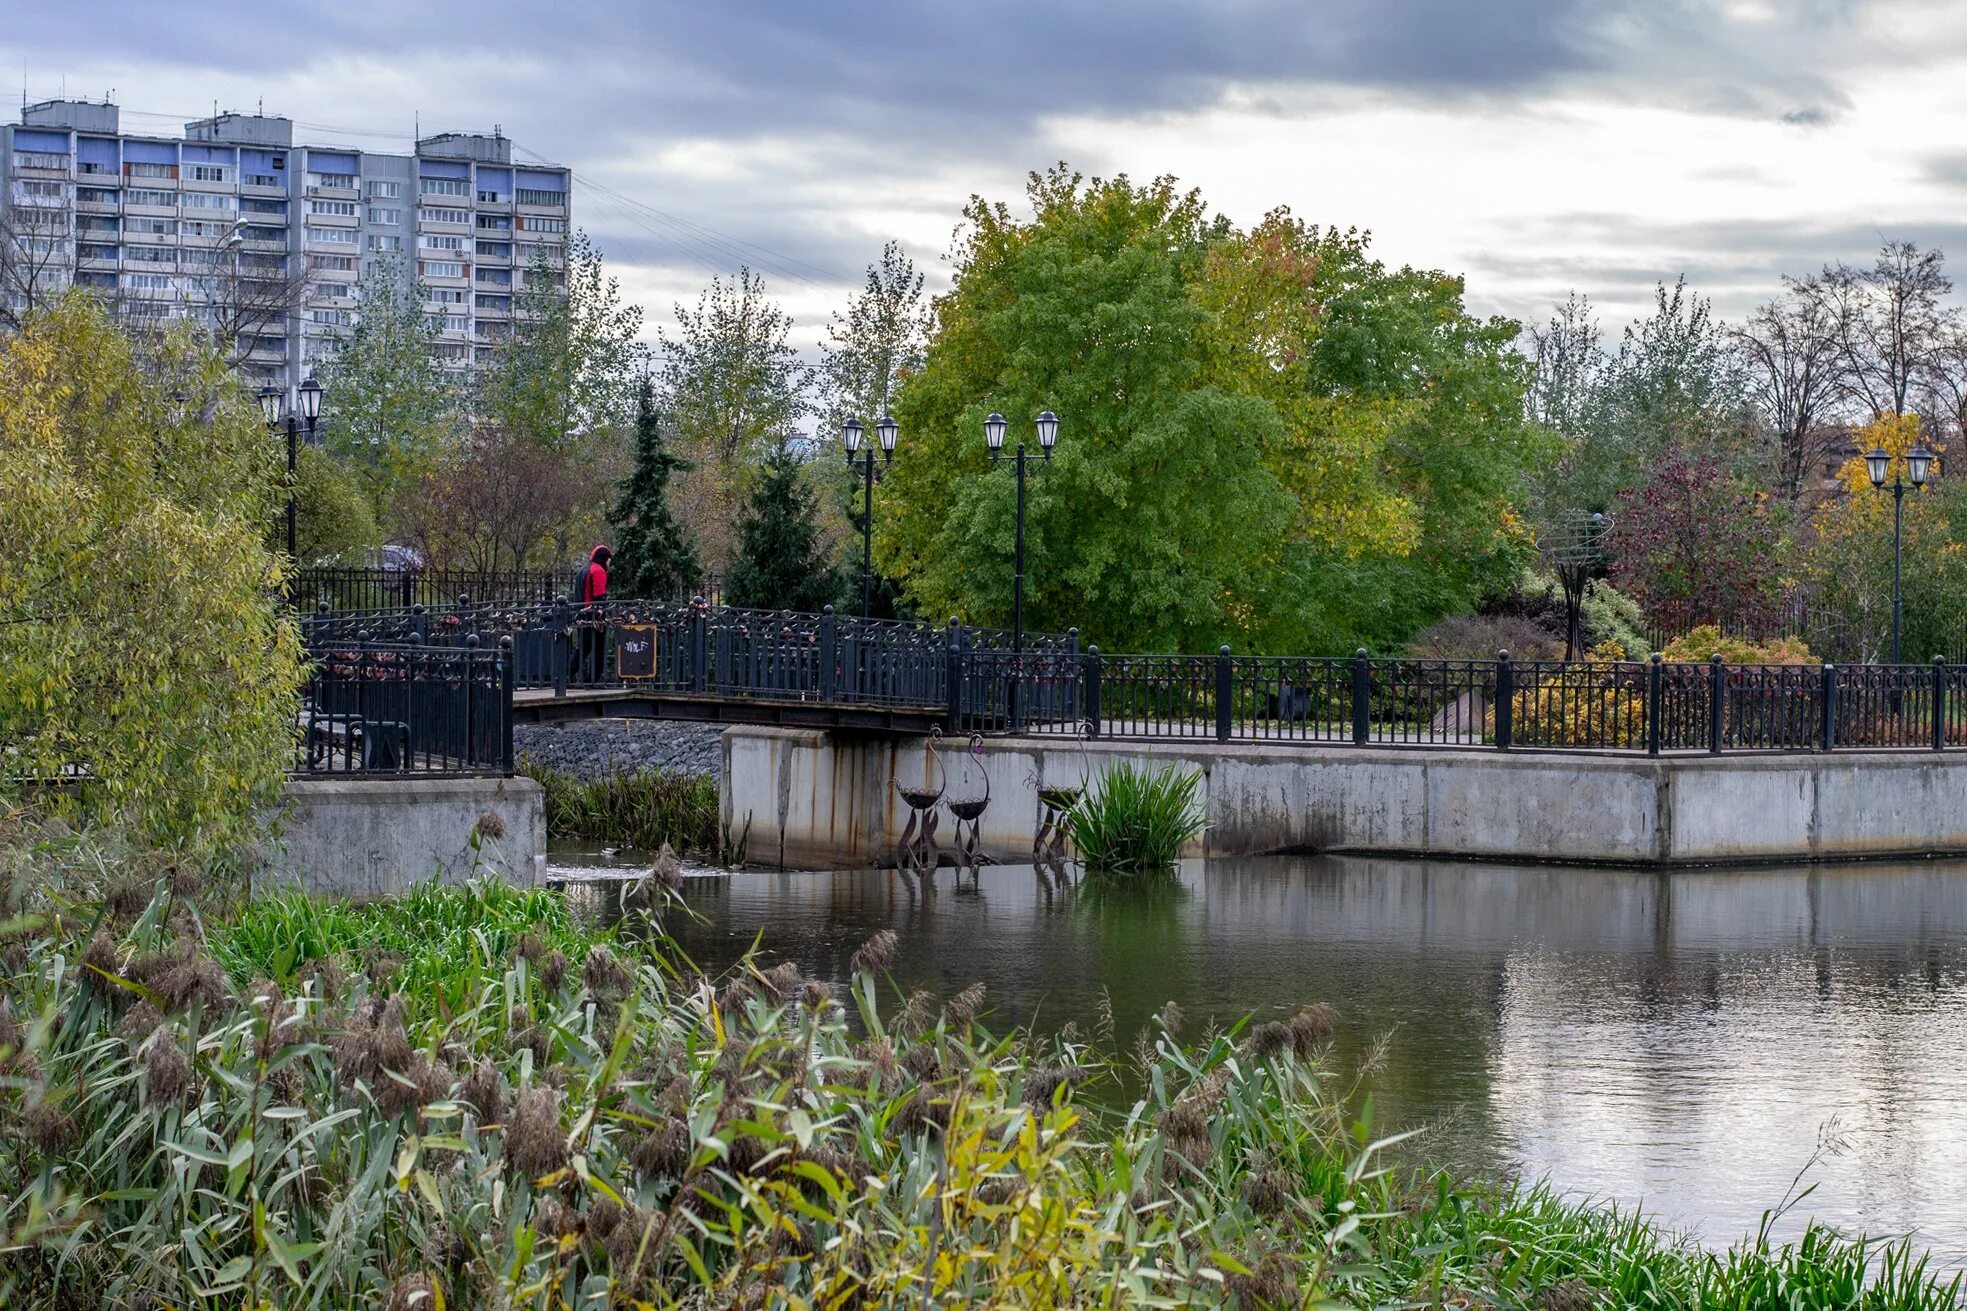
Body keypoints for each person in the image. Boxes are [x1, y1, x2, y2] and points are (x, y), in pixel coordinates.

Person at [575, 544, 612, 684]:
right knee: (598, 648)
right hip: (593, 616)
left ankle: (569, 673)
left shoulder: (583, 570)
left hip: (581, 614)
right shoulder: (598, 571)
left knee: (583, 648)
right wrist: (600, 614)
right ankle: (594, 679)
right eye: (608, 559)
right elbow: (599, 596)